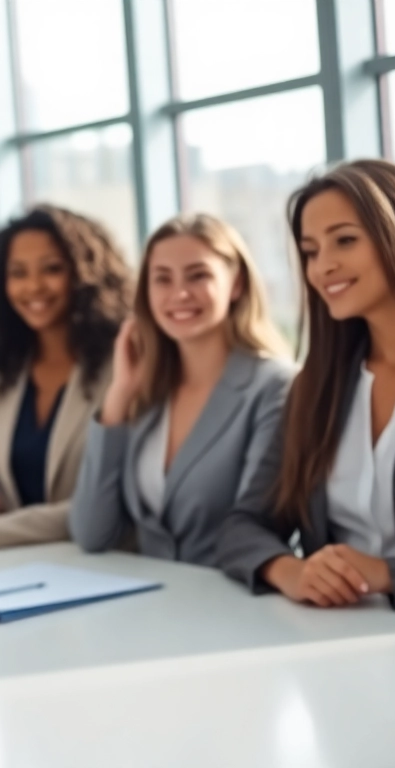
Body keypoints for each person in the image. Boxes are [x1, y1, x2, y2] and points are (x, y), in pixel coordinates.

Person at [217, 159, 395, 620]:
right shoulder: (316, 386)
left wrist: (389, 574)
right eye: (310, 251)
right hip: (337, 651)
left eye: (345, 240)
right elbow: (243, 526)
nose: (322, 267)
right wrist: (288, 571)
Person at [70, 214, 295, 566]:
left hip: (236, 606)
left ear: (236, 284)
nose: (179, 294)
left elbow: (255, 530)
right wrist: (119, 395)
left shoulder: (274, 387)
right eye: (162, 279)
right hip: (155, 606)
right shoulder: (150, 392)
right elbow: (91, 533)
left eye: (198, 275)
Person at [0, 205, 131, 549]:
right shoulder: (4, 372)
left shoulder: (123, 368)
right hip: (19, 570)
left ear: (85, 274)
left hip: (108, 562)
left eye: (52, 269)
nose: (33, 286)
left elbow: (113, 500)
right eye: (18, 273)